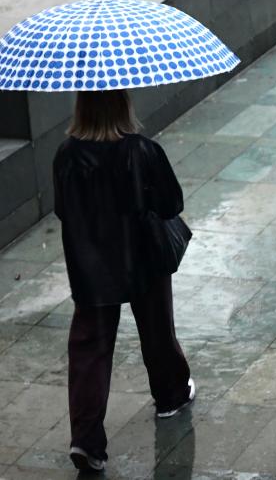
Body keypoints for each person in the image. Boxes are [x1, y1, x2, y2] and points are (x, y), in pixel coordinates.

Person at [53, 90, 195, 472]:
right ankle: (171, 396)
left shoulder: (66, 154)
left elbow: (63, 210)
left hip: (90, 267)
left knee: (89, 351)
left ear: (81, 107)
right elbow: (171, 204)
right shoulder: (143, 151)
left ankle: (86, 440)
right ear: (123, 105)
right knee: (157, 331)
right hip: (143, 259)